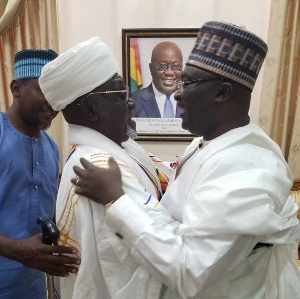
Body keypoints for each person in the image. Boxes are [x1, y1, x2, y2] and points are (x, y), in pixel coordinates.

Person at [72, 21, 300, 298]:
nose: (177, 92)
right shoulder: (203, 144)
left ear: (222, 93)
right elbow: (176, 220)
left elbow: (188, 271)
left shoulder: (247, 166)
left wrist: (117, 199)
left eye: (189, 82)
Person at [39, 37, 173, 299]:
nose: (132, 102)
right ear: (90, 109)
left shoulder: (119, 150)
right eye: (121, 94)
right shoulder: (99, 168)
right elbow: (153, 254)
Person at [0, 49, 80, 299]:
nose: (54, 102)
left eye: (59, 94)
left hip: (30, 288)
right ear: (16, 88)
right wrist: (18, 250)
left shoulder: (51, 147)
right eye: (45, 90)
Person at [132, 41, 183, 118]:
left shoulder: (195, 103)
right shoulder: (133, 102)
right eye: (162, 66)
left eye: (176, 66)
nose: (169, 72)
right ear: (151, 68)